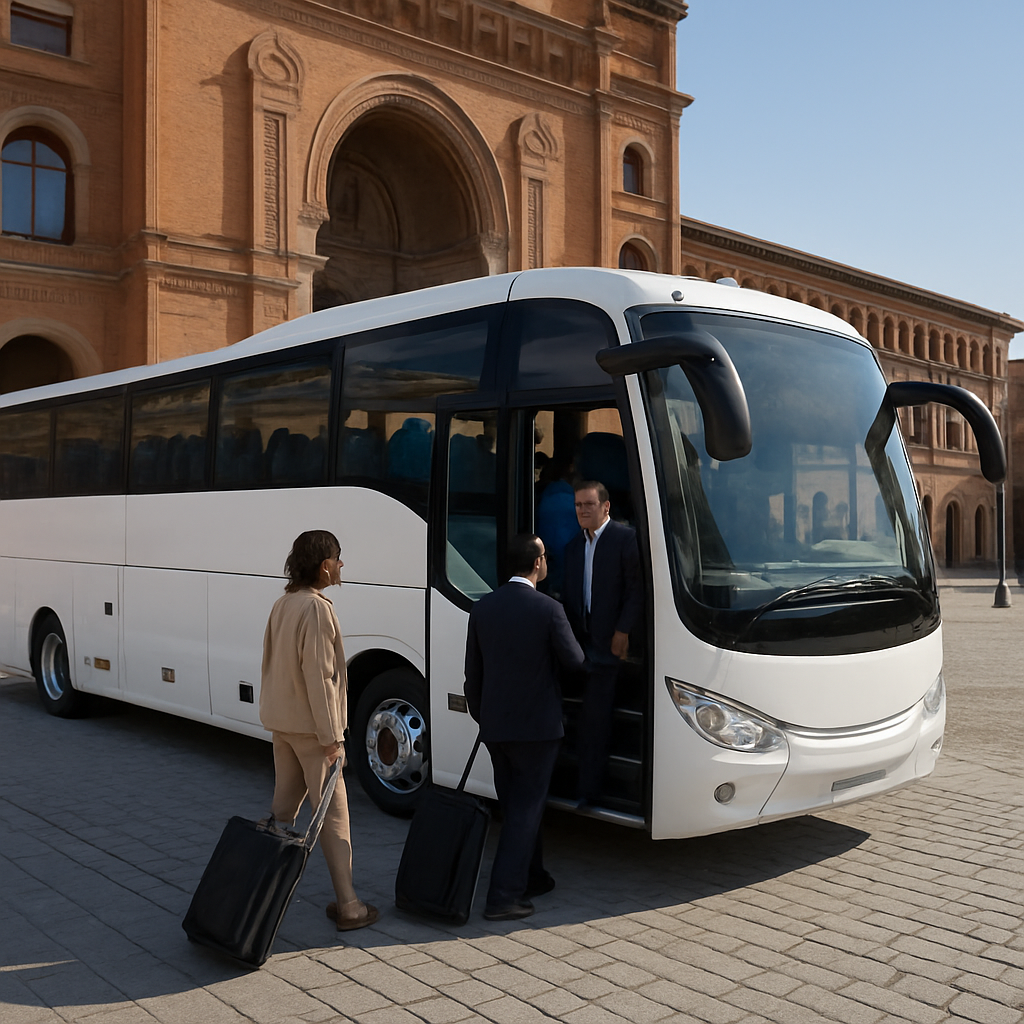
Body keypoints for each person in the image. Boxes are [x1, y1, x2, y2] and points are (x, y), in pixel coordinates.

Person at [259, 529, 378, 932]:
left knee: (281, 813)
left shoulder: (283, 603)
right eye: (339, 559)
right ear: (325, 564)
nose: (342, 566)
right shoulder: (316, 609)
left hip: (283, 724)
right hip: (313, 732)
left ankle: (254, 891)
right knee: (333, 816)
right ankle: (349, 905)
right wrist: (332, 738)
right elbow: (320, 677)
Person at [463, 534, 585, 921]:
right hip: (538, 729)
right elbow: (575, 661)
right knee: (526, 811)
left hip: (496, 728)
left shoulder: (483, 609)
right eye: (544, 556)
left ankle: (533, 877)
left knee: (515, 805)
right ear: (537, 564)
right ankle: (503, 897)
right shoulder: (549, 609)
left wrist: (485, 717)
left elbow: (473, 675)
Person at [562, 481, 643, 806]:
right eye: (578, 505)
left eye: (589, 505)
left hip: (609, 649)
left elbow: (637, 590)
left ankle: (588, 793)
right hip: (577, 647)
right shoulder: (571, 548)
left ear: (605, 507)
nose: (582, 510)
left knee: (595, 723)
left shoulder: (626, 539)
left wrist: (623, 631)